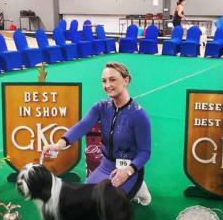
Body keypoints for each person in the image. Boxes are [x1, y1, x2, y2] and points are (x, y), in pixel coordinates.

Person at [41, 63, 152, 205]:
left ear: (126, 80)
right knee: (85, 201)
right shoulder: (101, 107)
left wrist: (128, 171)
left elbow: (145, 152)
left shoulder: (139, 115)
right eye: (104, 81)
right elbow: (82, 126)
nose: (107, 85)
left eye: (112, 79)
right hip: (106, 166)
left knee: (107, 207)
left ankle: (139, 188)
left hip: (129, 170)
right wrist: (58, 145)